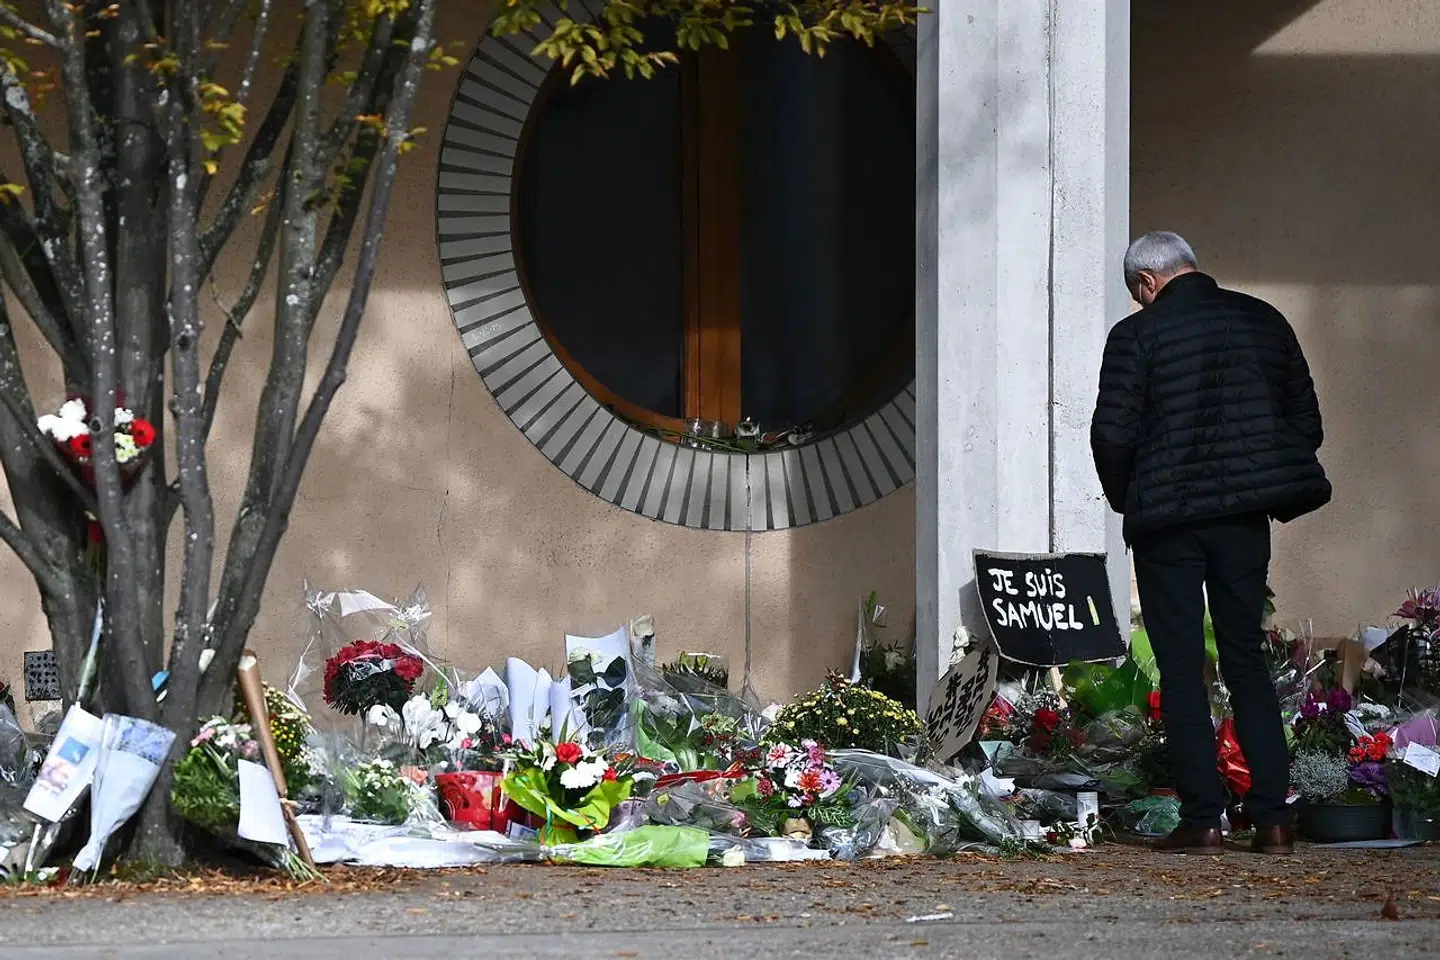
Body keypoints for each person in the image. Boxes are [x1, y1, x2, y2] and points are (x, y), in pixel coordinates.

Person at [1090, 232, 1330, 856]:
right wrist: (1264, 476)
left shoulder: (1135, 337)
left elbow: (1111, 434)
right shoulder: (1263, 320)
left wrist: (1129, 495)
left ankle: (1202, 820)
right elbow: (1306, 418)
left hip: (1168, 522)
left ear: (1146, 283)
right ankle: (1273, 820)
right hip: (1243, 520)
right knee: (1246, 656)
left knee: (1180, 668)